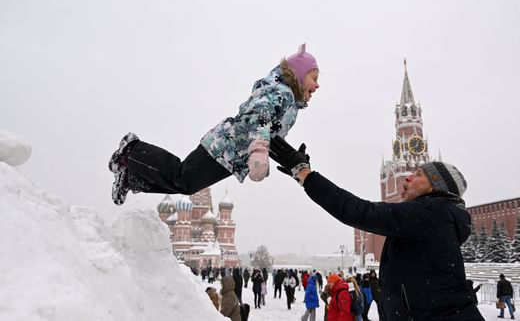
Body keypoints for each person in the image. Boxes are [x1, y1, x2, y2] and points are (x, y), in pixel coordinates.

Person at [268, 136, 485, 321]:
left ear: (435, 186)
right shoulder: (434, 216)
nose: (409, 177)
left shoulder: (432, 213)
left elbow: (359, 212)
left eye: (419, 174)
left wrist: (305, 175)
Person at [107, 44, 320, 205]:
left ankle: (131, 177)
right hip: (225, 146)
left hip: (234, 157)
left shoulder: (290, 104)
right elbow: (258, 115)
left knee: (187, 184)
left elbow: (271, 134)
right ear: (299, 75)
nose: (317, 85)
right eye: (313, 77)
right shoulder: (281, 91)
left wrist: (294, 161)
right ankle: (131, 151)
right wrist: (258, 150)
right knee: (182, 177)